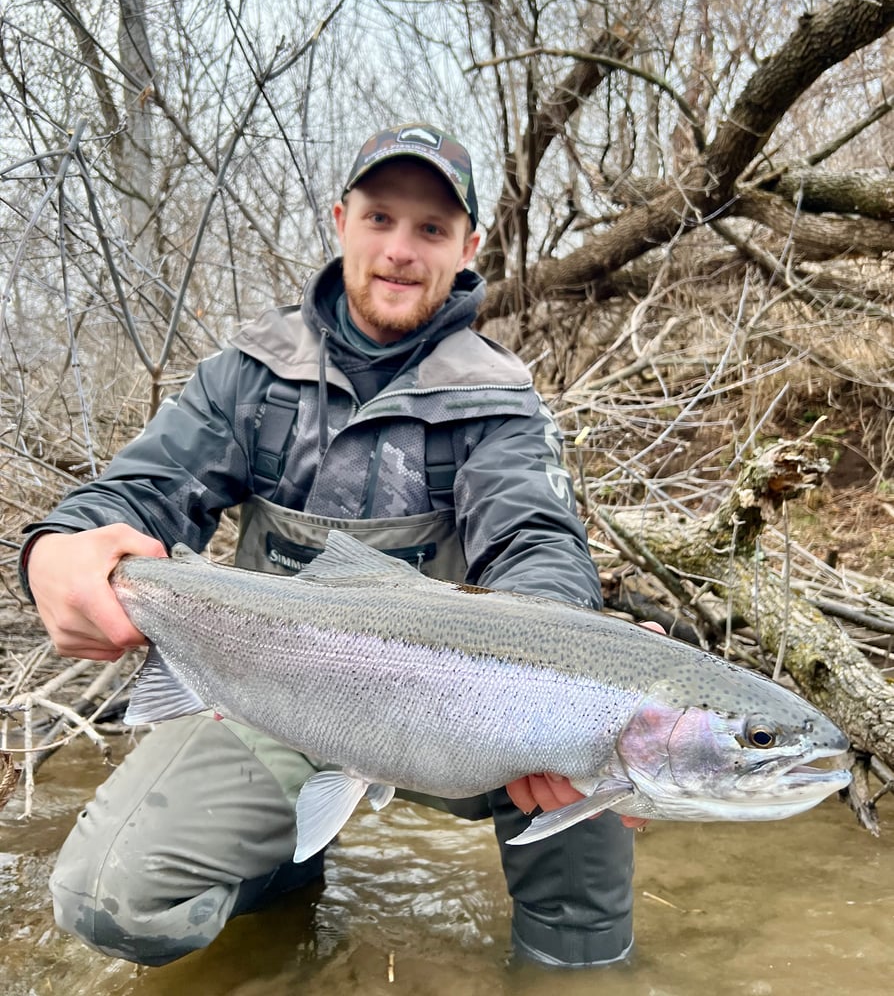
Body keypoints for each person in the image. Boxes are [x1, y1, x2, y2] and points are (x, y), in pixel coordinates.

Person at [20, 122, 641, 969]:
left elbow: (537, 542)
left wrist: (579, 664)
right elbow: (136, 496)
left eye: (431, 229)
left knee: (603, 778)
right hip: (281, 702)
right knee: (108, 900)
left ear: (469, 248)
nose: (401, 250)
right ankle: (283, 868)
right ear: (340, 218)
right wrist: (52, 550)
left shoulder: (500, 401)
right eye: (381, 218)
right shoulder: (247, 377)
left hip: (471, 717)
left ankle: (573, 969)